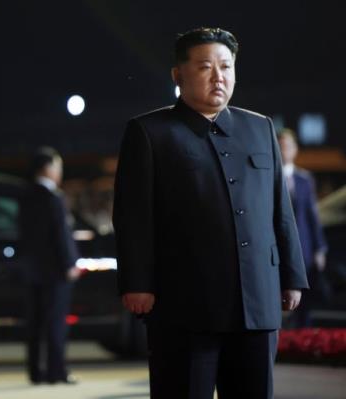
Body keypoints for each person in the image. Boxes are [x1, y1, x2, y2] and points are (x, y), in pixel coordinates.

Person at [113, 27, 309, 399]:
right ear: (178, 74)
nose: (218, 76)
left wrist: (291, 275)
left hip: (256, 300)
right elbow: (132, 215)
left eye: (226, 66)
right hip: (184, 302)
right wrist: (137, 281)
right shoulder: (150, 132)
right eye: (205, 66)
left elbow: (280, 210)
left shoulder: (259, 127)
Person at [18, 147, 82, 385]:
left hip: (31, 271)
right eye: (58, 167)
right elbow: (61, 235)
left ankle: (36, 371)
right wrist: (70, 263)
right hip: (55, 271)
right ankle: (57, 371)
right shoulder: (53, 197)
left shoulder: (24, 196)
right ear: (47, 169)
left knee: (35, 324)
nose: (59, 173)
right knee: (56, 323)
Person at [278, 128, 328, 327]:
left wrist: (320, 248)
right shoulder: (267, 178)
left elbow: (312, 216)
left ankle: (302, 336)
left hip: (304, 246)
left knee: (304, 297)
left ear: (295, 150)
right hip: (278, 247)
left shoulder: (305, 179)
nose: (283, 151)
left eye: (287, 146)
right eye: (280, 146)